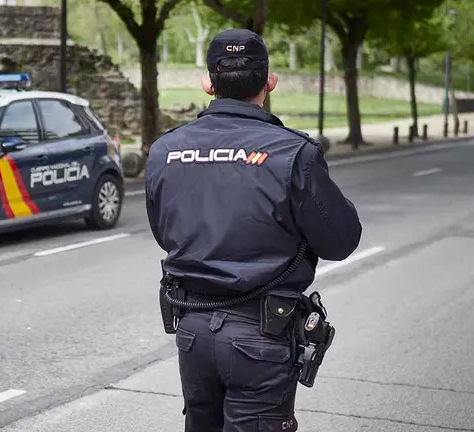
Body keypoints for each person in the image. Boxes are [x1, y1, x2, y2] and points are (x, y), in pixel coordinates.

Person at [144, 29, 362, 432]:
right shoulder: (293, 152)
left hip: (192, 331)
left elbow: (164, 232)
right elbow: (341, 240)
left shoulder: (164, 150)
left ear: (208, 83)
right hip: (261, 337)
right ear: (269, 82)